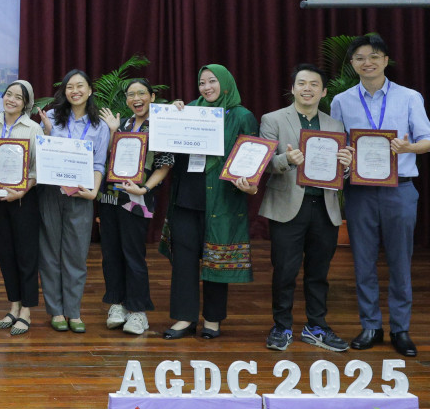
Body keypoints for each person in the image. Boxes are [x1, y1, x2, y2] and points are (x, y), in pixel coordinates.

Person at [330, 34, 430, 357]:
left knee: (401, 261)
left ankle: (401, 329)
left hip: (400, 187)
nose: (367, 62)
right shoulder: (341, 101)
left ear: (386, 60)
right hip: (359, 190)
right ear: (352, 64)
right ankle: (370, 325)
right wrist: (342, 157)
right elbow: (337, 143)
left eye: (374, 56)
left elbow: (427, 140)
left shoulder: (410, 98)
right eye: (359, 57)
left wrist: (408, 147)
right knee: (363, 260)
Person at [260, 64, 354, 352]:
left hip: (325, 206)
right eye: (302, 83)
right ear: (292, 88)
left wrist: (347, 168)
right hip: (288, 205)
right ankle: (282, 326)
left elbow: (340, 169)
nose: (307, 88)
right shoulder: (272, 119)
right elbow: (264, 164)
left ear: (324, 91)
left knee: (319, 272)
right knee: (285, 271)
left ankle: (316, 326)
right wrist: (287, 159)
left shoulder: (335, 125)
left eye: (314, 84)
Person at [161, 65, 259, 340]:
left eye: (212, 81)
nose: (206, 87)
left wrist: (249, 181)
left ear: (225, 83)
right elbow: (169, 144)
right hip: (185, 198)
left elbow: (252, 154)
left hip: (222, 200)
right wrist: (171, 114)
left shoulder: (242, 116)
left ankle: (213, 320)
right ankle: (184, 317)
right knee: (184, 260)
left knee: (217, 260)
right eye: (202, 82)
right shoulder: (190, 109)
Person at [95, 79, 173, 336]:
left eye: (142, 93)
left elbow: (164, 165)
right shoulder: (125, 124)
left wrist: (145, 189)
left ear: (151, 96)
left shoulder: (161, 125)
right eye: (131, 94)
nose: (136, 98)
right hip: (110, 197)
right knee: (111, 253)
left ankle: (138, 312)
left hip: (136, 200)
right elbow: (109, 158)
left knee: (133, 255)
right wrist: (113, 132)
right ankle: (117, 304)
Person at [38, 70, 111, 334]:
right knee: (49, 253)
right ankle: (56, 311)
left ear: (90, 90)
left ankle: (74, 311)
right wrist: (46, 133)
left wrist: (94, 192)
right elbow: (45, 155)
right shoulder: (54, 120)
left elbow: (100, 161)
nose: (75, 91)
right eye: (70, 86)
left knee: (76, 254)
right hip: (51, 193)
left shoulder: (99, 126)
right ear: (65, 92)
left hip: (82, 195)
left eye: (80, 86)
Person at [0, 81, 43, 336]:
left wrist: (23, 190)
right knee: (5, 254)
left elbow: (38, 170)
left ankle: (27, 310)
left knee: (26, 255)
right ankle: (13, 306)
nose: (12, 100)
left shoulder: (33, 128)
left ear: (26, 103)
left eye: (18, 97)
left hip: (22, 199)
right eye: (9, 94)